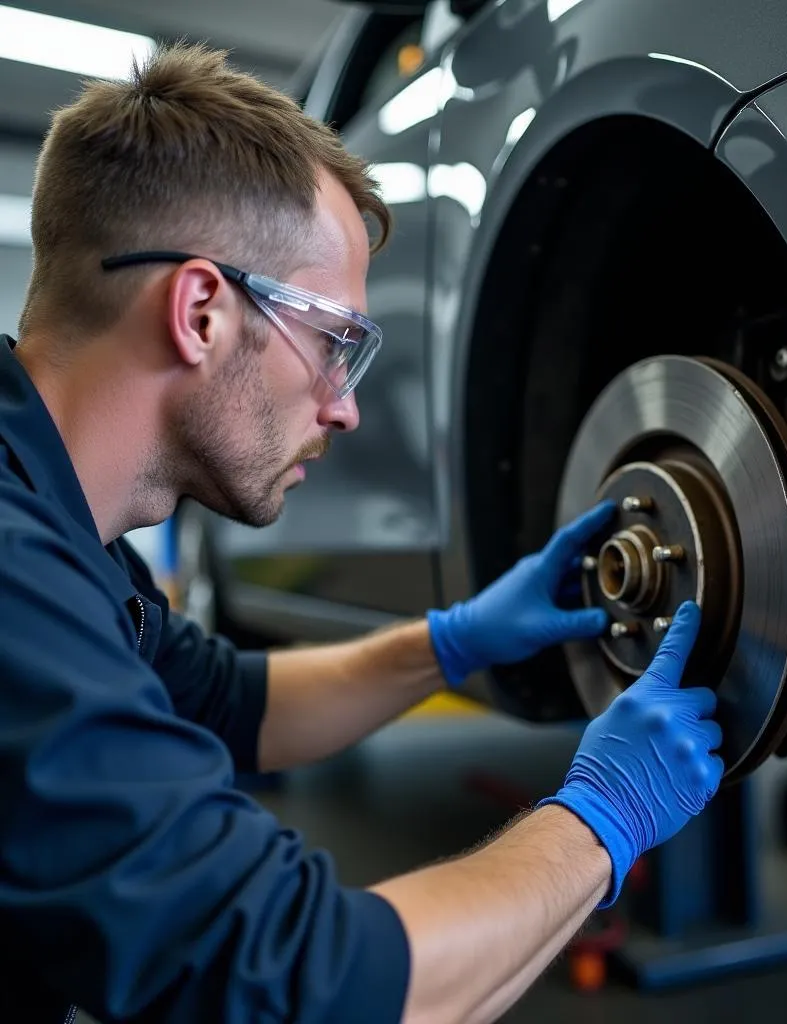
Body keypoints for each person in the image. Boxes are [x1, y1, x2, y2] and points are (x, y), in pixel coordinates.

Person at [0, 43, 724, 1024]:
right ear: (202, 312)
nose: (344, 410)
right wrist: (601, 818)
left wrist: (452, 639)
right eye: (336, 342)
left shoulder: (55, 526)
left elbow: (229, 701)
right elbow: (307, 984)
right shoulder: (13, 569)